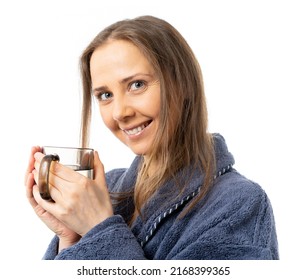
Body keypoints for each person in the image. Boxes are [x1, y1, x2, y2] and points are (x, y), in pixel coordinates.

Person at [24, 15, 279, 260]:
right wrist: (72, 239)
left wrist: (98, 227)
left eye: (136, 85)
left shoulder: (240, 204)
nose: (120, 112)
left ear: (182, 84)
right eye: (105, 95)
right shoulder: (108, 189)